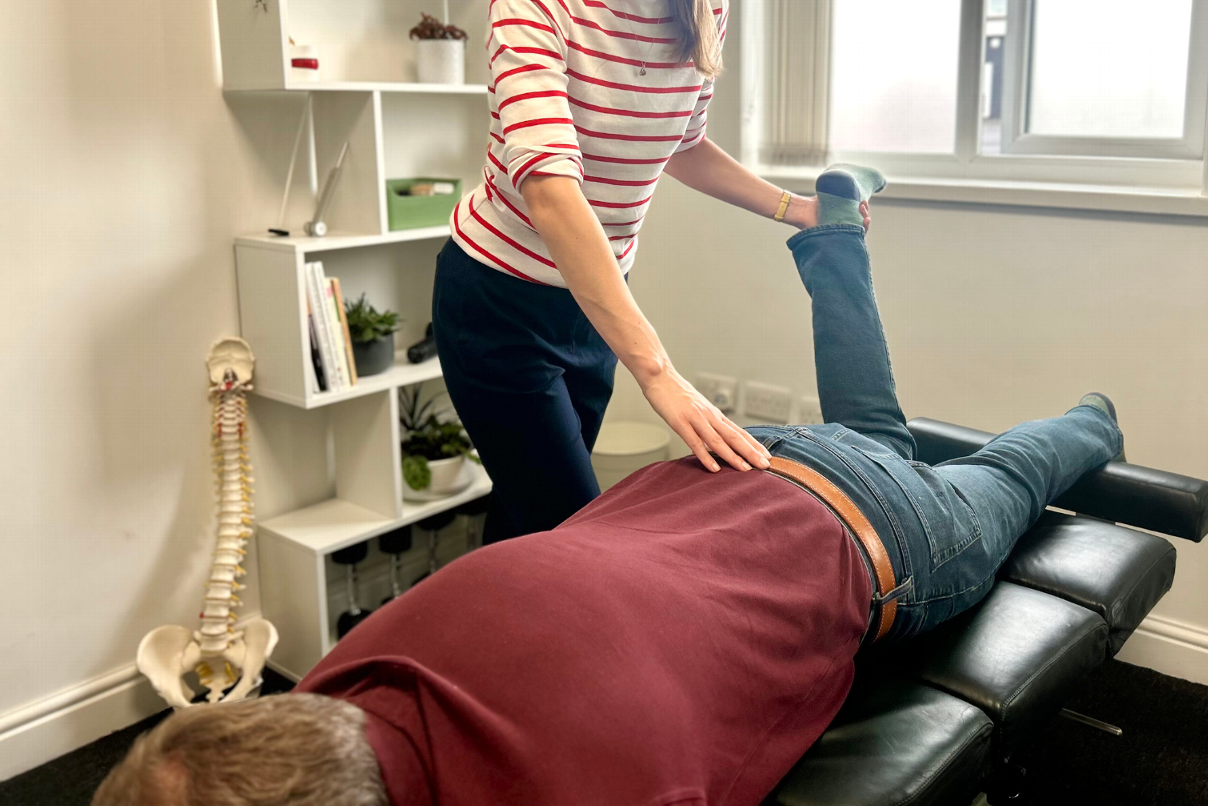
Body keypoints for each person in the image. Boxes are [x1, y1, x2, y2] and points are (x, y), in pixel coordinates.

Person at [92, 168, 1123, 806]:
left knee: (1005, 473)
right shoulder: (340, 684)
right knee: (872, 432)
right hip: (731, 464)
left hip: (880, 533)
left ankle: (1092, 421)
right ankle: (834, 235)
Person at [433, 0, 857, 543]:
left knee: (531, 526)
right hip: (499, 302)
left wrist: (793, 209)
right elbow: (550, 187)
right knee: (572, 530)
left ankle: (478, 621)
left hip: (594, 306)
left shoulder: (705, 3)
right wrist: (658, 372)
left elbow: (681, 144)